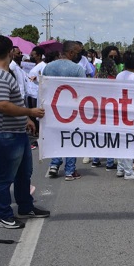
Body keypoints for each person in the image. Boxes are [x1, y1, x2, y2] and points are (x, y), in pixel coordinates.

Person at [0, 35, 48, 229]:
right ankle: (3, 216)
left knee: (23, 173)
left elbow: (10, 102)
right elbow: (2, 105)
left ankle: (25, 206)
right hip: (2, 133)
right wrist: (30, 112)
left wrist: (25, 118)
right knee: (4, 177)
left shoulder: (3, 72)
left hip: (14, 132)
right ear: (10, 51)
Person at [42, 41, 86, 180]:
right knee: (71, 138)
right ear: (71, 52)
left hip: (52, 108)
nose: (78, 55)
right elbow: (83, 89)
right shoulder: (77, 69)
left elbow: (43, 87)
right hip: (71, 109)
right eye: (77, 53)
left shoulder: (48, 67)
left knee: (56, 136)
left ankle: (54, 164)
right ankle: (70, 171)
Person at [114, 51, 134, 180]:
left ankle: (121, 168)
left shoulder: (119, 75)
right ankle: (128, 172)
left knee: (122, 141)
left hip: (120, 110)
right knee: (129, 141)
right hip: (131, 112)